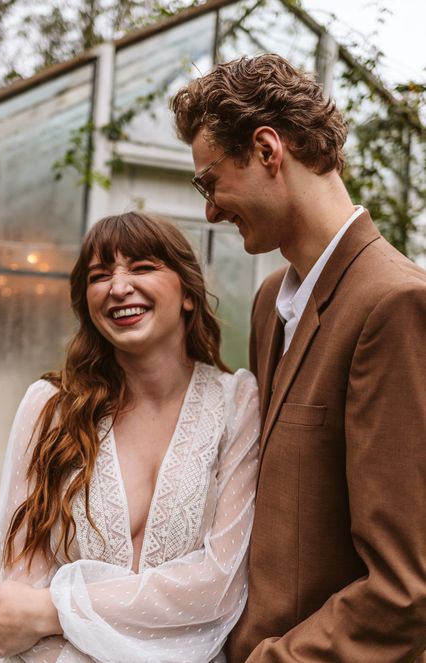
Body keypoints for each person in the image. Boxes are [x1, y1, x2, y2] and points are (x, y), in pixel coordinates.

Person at [171, 53, 426, 662]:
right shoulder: (268, 303)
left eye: (209, 182)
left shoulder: (396, 304)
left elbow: (405, 588)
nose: (209, 211)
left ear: (266, 150)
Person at [0, 212, 260, 663]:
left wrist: (52, 610)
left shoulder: (237, 403)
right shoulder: (49, 407)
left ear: (188, 294)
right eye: (99, 275)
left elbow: (218, 586)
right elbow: (16, 595)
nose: (118, 286)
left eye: (143, 267)